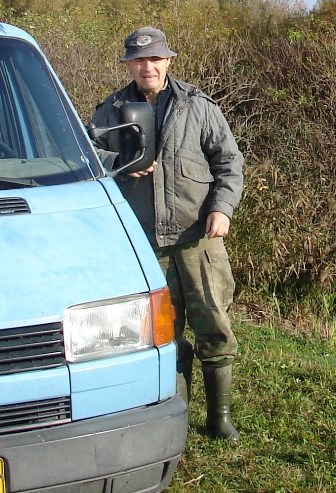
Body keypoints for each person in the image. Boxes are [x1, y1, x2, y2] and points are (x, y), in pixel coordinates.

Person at [90, 28, 245, 441]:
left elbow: (229, 162)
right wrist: (119, 161)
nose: (148, 67)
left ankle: (219, 419)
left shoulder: (198, 105)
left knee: (214, 324)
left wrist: (222, 209)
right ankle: (175, 419)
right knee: (161, 336)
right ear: (129, 65)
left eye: (155, 59)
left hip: (199, 238)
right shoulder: (109, 110)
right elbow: (88, 155)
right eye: (140, 60)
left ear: (168, 62)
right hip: (145, 244)